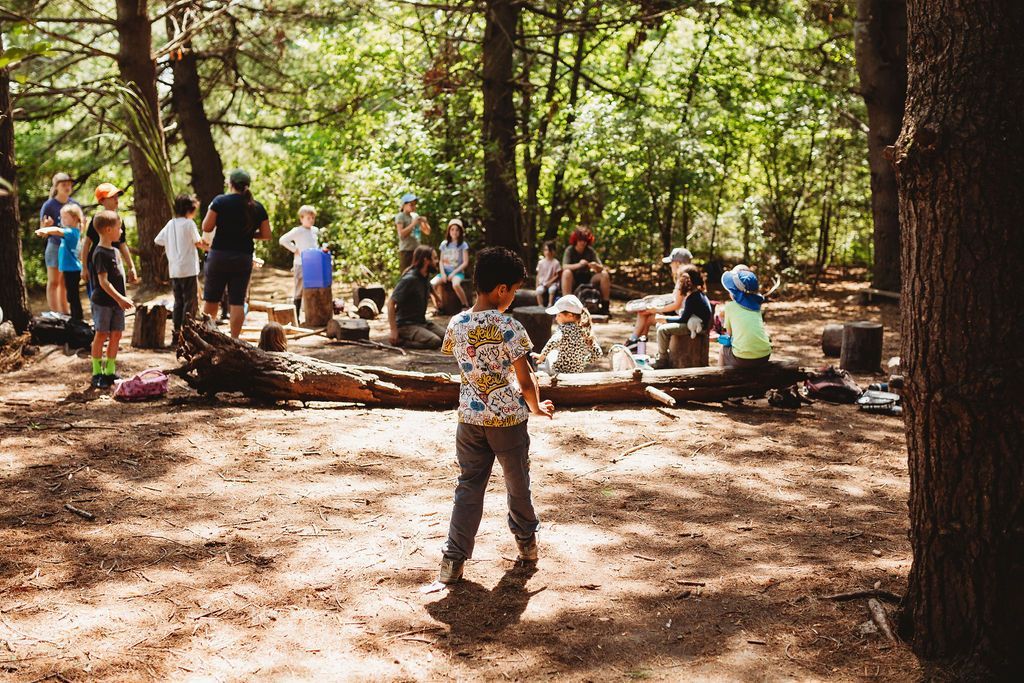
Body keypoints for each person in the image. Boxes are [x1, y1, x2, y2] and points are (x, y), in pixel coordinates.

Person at [435, 246, 555, 584]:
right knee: (517, 485)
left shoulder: (456, 324)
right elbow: (525, 380)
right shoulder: (509, 326)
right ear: (501, 289)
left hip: (469, 421)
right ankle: (527, 544)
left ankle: (452, 561)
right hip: (507, 421)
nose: (513, 297)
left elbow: (466, 366)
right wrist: (536, 407)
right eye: (514, 290)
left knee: (468, 487)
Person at [201, 170, 271, 339]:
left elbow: (206, 227)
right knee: (237, 301)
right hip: (243, 257)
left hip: (219, 256)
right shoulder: (257, 206)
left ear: (230, 184)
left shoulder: (220, 201)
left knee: (211, 299)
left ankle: (207, 337)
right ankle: (234, 339)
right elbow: (266, 234)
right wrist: (248, 234)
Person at [89, 210, 134, 389]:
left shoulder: (115, 251)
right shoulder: (100, 253)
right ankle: (96, 373)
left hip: (117, 303)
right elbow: (103, 282)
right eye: (119, 228)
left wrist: (123, 294)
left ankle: (109, 371)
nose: (121, 231)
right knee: (101, 334)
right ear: (108, 230)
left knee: (116, 334)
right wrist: (120, 298)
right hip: (103, 303)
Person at [154, 194, 205, 338]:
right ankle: (188, 331)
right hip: (189, 268)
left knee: (178, 301)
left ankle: (176, 332)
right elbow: (198, 242)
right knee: (190, 300)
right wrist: (209, 246)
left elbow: (158, 240)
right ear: (190, 209)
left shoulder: (171, 224)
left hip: (175, 269)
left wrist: (171, 244)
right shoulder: (189, 223)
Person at [626, 247, 694, 348]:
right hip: (680, 312)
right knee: (646, 314)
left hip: (681, 315)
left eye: (671, 262)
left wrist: (656, 309)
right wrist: (654, 298)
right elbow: (675, 296)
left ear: (678, 263)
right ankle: (637, 344)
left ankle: (634, 340)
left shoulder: (683, 280)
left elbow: (677, 305)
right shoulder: (684, 278)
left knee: (645, 313)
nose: (670, 265)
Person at [81, 183, 137, 299]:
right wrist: (84, 267)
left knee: (116, 291)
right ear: (102, 201)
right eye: (112, 197)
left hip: (114, 262)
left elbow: (122, 244)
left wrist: (131, 267)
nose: (116, 199)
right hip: (98, 263)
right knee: (99, 294)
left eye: (117, 196)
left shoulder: (119, 220)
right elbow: (87, 243)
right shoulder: (97, 220)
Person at [652, 265, 713, 369]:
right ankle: (665, 353)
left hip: (697, 328)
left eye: (679, 281)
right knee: (661, 326)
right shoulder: (697, 294)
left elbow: (683, 319)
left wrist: (665, 319)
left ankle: (662, 360)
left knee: (663, 330)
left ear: (686, 282)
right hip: (693, 324)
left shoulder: (693, 298)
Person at [387, 245, 446, 349]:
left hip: (421, 322)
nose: (437, 261)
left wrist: (436, 297)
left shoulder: (424, 275)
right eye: (435, 258)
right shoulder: (410, 279)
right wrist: (393, 330)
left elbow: (428, 285)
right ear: (426, 260)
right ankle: (403, 341)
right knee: (435, 341)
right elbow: (391, 303)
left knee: (448, 337)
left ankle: (420, 335)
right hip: (406, 325)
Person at [35, 203, 86, 321]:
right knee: (71, 296)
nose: (62, 220)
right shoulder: (72, 232)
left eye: (65, 217)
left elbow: (58, 230)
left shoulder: (72, 232)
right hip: (69, 269)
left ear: (74, 218)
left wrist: (46, 230)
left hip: (72, 270)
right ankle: (75, 317)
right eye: (61, 217)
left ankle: (77, 318)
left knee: (73, 296)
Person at [532, 294, 603, 374]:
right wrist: (583, 361)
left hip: (559, 371)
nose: (556, 318)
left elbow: (553, 341)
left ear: (570, 315)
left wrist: (542, 356)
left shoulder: (563, 329)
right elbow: (598, 353)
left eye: (558, 315)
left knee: (553, 353)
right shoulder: (584, 331)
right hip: (577, 372)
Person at [39, 172, 79, 313]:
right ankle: (55, 315)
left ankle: (65, 314)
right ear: (56, 187)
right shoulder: (49, 205)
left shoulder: (75, 204)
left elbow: (80, 227)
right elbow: (42, 231)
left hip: (70, 248)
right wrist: (46, 226)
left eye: (69, 184)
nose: (67, 187)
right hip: (55, 246)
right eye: (64, 184)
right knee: (54, 282)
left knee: (64, 282)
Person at [718, 265, 772, 368]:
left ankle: (719, 375)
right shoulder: (757, 306)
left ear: (734, 292)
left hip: (742, 358)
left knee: (722, 350)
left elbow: (729, 334)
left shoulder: (730, 306)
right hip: (765, 355)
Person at [278, 204, 326, 319]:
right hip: (301, 264)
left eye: (313, 218)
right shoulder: (298, 231)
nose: (311, 220)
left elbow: (315, 245)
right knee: (299, 290)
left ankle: (313, 316)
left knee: (313, 289)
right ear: (301, 218)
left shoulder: (315, 230)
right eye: (308, 218)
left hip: (313, 265)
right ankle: (297, 317)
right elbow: (283, 240)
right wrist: (295, 249)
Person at [560, 227, 610, 314]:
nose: (583, 243)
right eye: (580, 240)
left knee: (604, 274)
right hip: (573, 279)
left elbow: (601, 267)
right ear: (576, 240)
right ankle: (566, 305)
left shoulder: (590, 251)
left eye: (585, 240)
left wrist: (595, 266)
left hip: (588, 279)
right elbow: (564, 266)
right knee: (566, 273)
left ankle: (605, 306)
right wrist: (579, 265)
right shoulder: (570, 250)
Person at [431, 218, 470, 309]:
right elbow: (441, 261)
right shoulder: (444, 244)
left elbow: (465, 262)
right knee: (431, 285)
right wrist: (443, 273)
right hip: (444, 273)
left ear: (460, 232)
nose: (454, 232)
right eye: (452, 229)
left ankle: (465, 305)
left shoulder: (463, 245)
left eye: (457, 230)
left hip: (457, 273)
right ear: (449, 231)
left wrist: (453, 273)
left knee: (455, 284)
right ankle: (438, 306)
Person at [395, 192, 431, 273]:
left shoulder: (415, 215)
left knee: (418, 273)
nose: (413, 206)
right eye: (411, 204)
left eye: (414, 204)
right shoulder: (400, 216)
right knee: (406, 274)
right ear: (404, 205)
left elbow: (427, 232)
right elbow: (401, 234)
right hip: (406, 251)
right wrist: (413, 224)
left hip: (417, 250)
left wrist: (424, 222)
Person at [535, 240, 561, 307]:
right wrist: (537, 285)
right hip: (542, 283)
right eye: (546, 250)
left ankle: (550, 304)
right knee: (538, 291)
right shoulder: (541, 262)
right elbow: (538, 275)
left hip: (552, 283)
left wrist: (550, 282)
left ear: (554, 251)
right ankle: (540, 305)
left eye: (550, 250)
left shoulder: (556, 262)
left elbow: (557, 275)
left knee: (552, 290)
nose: (548, 252)